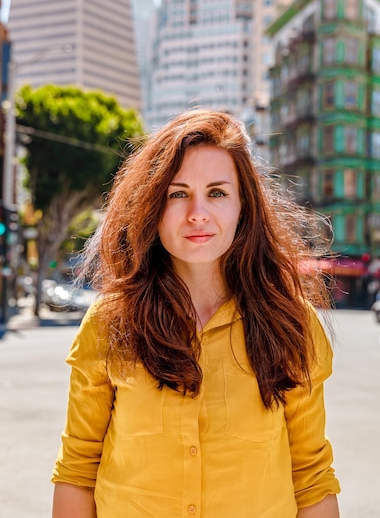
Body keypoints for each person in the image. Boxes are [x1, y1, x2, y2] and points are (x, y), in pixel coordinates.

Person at [52, 109, 341, 518]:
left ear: (244, 207)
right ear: (152, 205)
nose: (197, 214)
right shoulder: (109, 321)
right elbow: (79, 468)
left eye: (218, 193)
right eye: (178, 193)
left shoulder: (292, 324)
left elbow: (311, 475)